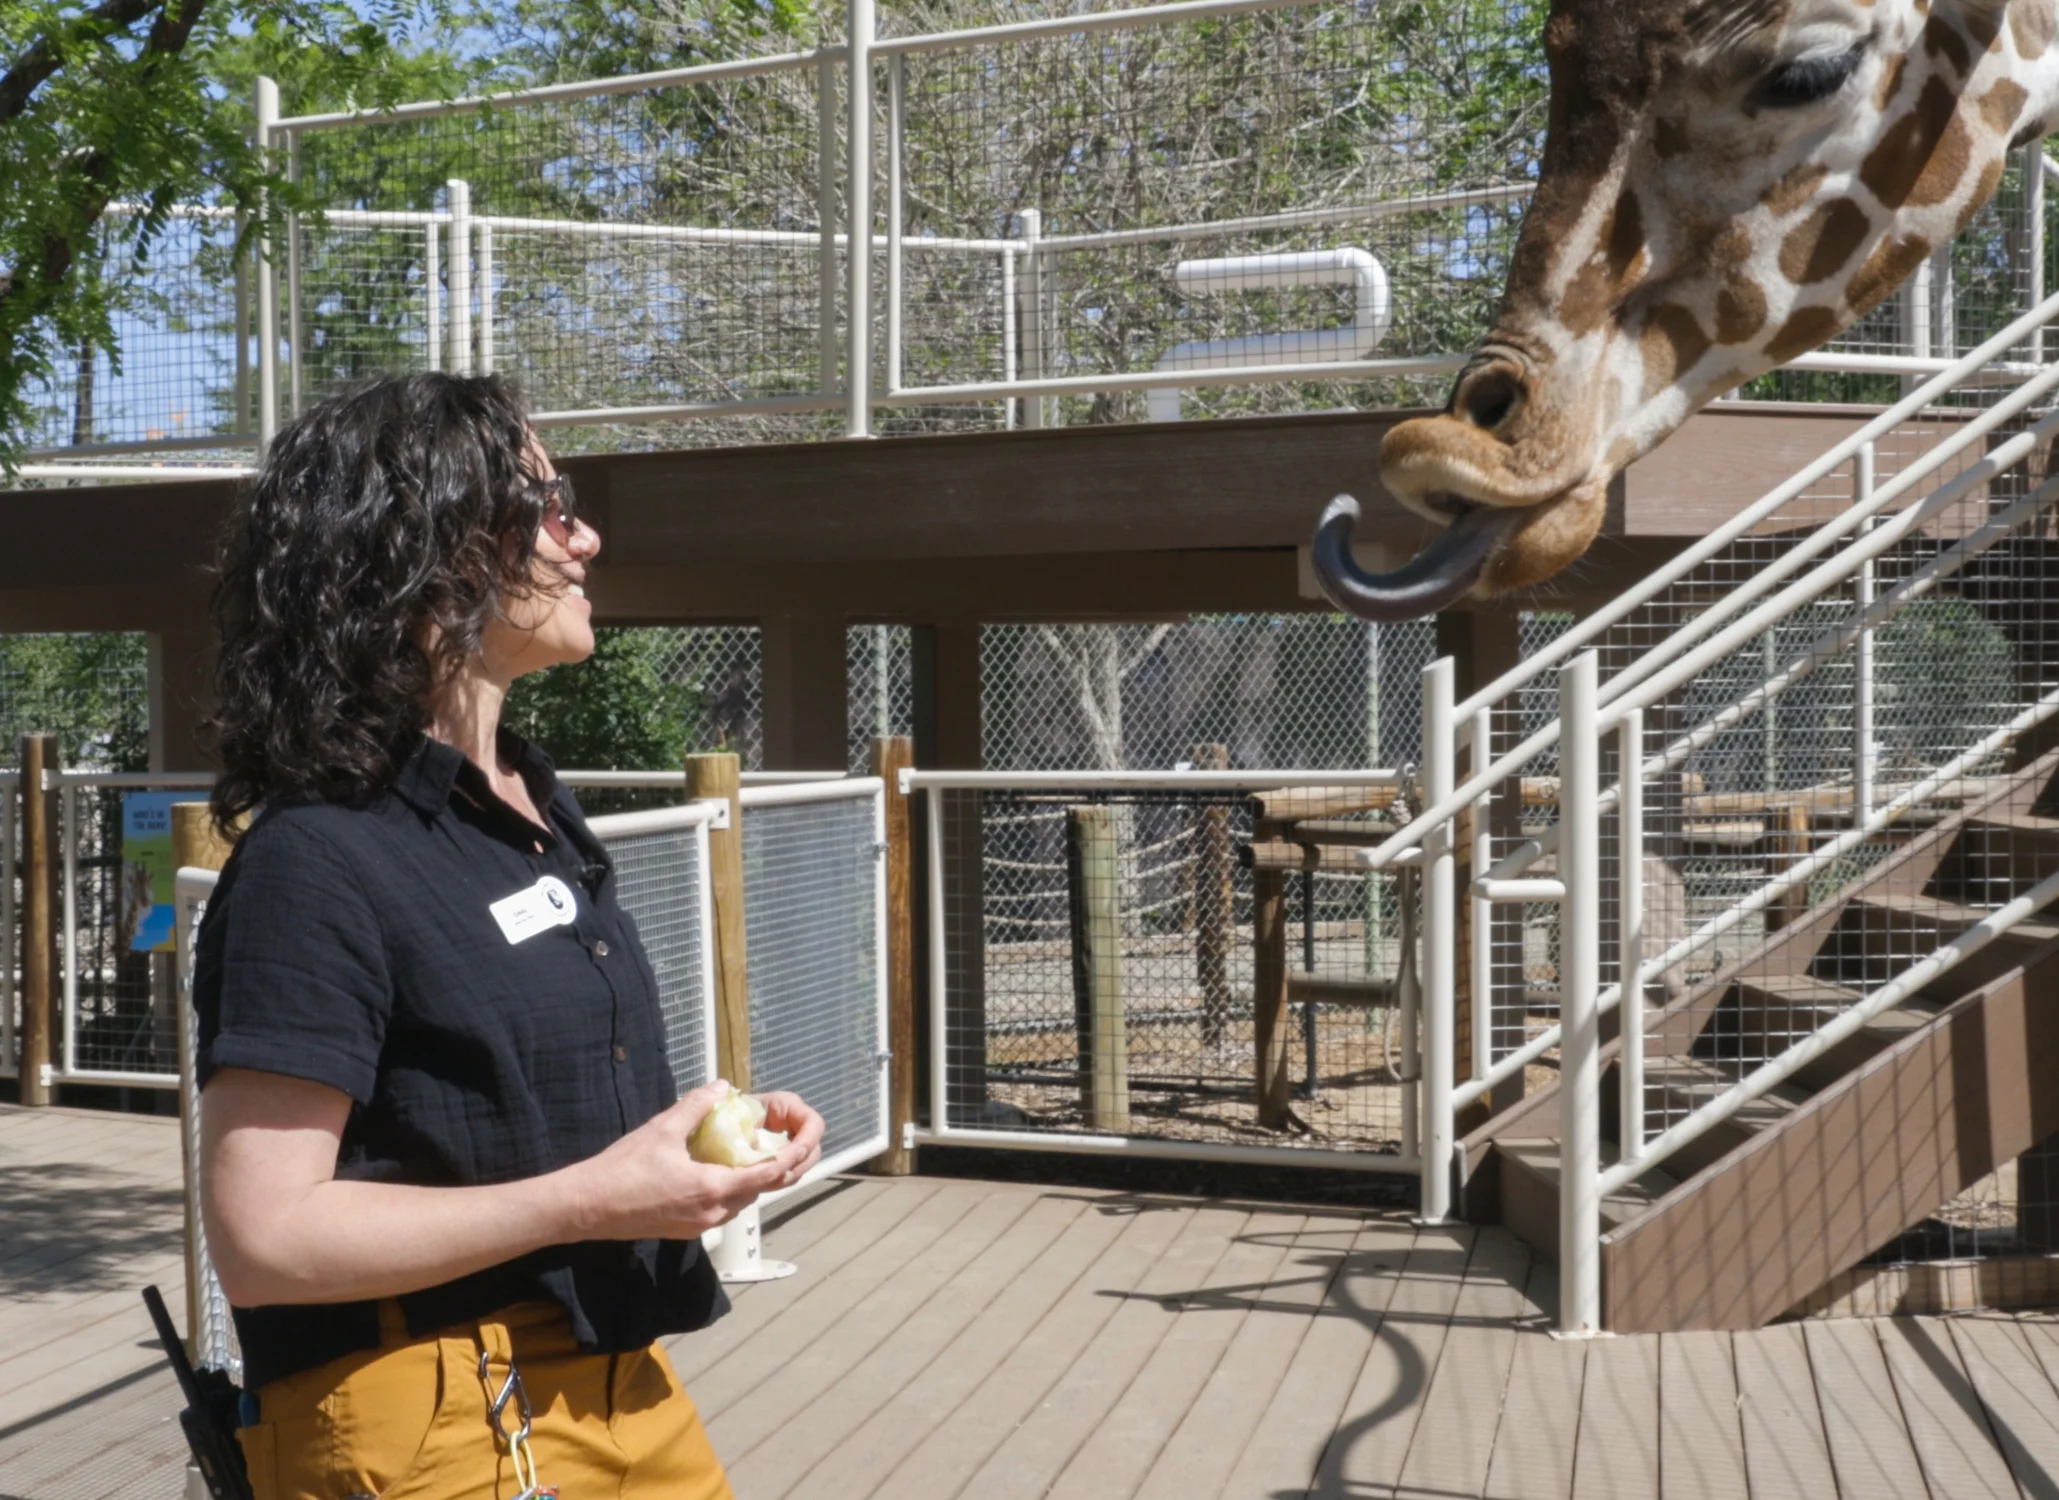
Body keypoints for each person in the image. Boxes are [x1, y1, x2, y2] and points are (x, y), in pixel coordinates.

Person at [192, 372, 823, 1500]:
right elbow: (265, 1237)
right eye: (547, 502)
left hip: (621, 1378)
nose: (584, 536)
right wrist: (598, 1196)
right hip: (431, 1414)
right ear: (432, 552)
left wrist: (689, 1150)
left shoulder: (528, 806)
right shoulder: (317, 858)